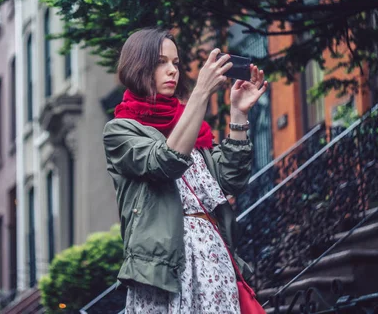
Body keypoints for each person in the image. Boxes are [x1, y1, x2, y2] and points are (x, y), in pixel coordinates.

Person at [103, 28, 268, 313]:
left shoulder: (192, 126)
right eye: (161, 62)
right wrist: (201, 93)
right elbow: (165, 162)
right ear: (138, 66)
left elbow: (231, 180)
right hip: (163, 270)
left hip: (213, 261)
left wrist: (239, 115)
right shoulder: (121, 131)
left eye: (176, 63)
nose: (172, 71)